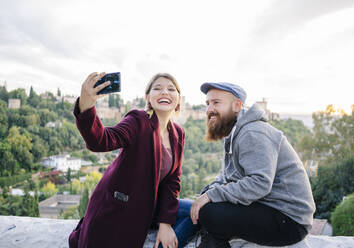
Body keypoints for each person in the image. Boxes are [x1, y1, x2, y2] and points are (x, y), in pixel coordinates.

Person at [69, 72, 198, 248]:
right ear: (148, 97)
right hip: (120, 209)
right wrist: (86, 104)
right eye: (157, 88)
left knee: (198, 212)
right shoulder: (138, 121)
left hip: (150, 206)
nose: (165, 92)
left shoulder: (178, 133)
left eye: (171, 89)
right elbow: (101, 140)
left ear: (178, 99)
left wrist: (165, 223)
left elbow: (172, 181)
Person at [190, 82, 316, 247]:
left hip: (289, 219)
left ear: (237, 105)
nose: (209, 110)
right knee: (204, 201)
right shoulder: (235, 132)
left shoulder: (252, 132)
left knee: (208, 212)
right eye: (208, 104)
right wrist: (207, 193)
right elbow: (229, 176)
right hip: (267, 207)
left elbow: (259, 183)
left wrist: (211, 197)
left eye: (216, 103)